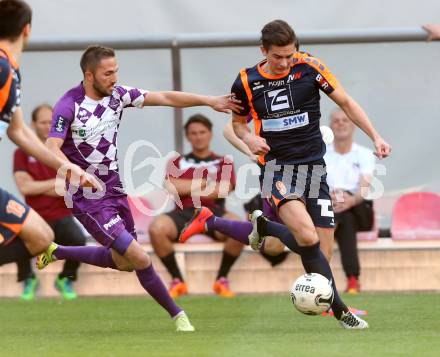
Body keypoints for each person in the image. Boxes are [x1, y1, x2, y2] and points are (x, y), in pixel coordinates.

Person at [180, 19, 391, 329]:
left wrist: (375, 136)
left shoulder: (310, 67)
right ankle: (341, 310)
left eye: (290, 55)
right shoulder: (246, 81)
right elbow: (237, 125)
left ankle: (263, 227)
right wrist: (249, 138)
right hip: (277, 168)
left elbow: (345, 101)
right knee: (306, 237)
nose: (284, 62)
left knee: (322, 248)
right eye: (277, 56)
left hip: (315, 169)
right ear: (263, 51)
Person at [35, 44, 242, 332]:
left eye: (116, 71)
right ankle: (178, 315)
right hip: (87, 195)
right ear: (89, 75)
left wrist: (207, 101)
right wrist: (74, 171)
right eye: (108, 73)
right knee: (140, 257)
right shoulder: (69, 104)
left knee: (125, 262)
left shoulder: (118, 96)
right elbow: (51, 146)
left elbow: (165, 96)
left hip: (114, 188)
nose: (114, 78)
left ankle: (58, 251)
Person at [0, 1, 98, 274]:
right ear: (27, 30)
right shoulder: (1, 67)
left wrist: (67, 168)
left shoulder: (10, 70)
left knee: (40, 237)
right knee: (39, 236)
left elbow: (18, 131)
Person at [149, 114, 243, 298]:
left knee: (239, 228)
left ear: (210, 134)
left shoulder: (224, 161)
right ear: (188, 136)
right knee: (156, 229)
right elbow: (171, 187)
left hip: (212, 212)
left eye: (202, 132)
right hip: (183, 213)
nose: (198, 136)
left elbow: (223, 190)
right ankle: (178, 281)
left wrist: (187, 186)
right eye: (193, 133)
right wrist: (202, 183)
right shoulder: (176, 162)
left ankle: (221, 280)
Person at [13, 104, 88, 300]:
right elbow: (25, 188)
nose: (48, 126)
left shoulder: (65, 151)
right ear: (33, 124)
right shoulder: (21, 153)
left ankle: (65, 279)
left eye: (51, 122)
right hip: (34, 215)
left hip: (62, 215)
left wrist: (39, 186)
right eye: (43, 122)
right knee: (17, 238)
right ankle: (29, 279)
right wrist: (53, 184)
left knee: (79, 241)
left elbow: (67, 187)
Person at [325, 108, 375, 294]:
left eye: (345, 120)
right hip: (329, 206)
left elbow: (364, 186)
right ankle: (353, 279)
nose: (340, 124)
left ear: (353, 125)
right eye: (336, 121)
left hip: (358, 208)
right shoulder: (321, 154)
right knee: (342, 219)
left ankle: (324, 282)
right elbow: (314, 184)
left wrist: (351, 200)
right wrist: (331, 199)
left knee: (343, 217)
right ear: (330, 126)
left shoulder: (364, 154)